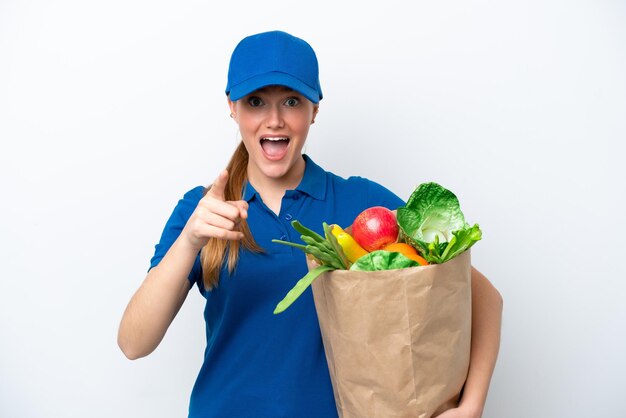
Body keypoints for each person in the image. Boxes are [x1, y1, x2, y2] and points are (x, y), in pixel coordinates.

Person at [117, 30, 503, 418]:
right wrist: (188, 242)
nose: (274, 120)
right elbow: (134, 342)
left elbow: (481, 295)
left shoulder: (360, 204)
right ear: (232, 108)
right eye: (255, 102)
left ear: (314, 109)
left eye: (291, 101)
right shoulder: (202, 211)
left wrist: (471, 405)